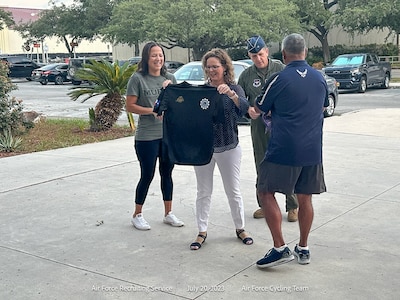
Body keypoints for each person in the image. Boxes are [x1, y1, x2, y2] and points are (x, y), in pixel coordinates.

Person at [254, 33, 328, 268]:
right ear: (305, 52)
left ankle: (279, 248)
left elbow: (260, 106)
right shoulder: (319, 78)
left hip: (284, 148)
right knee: (305, 198)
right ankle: (303, 248)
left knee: (264, 191)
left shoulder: (279, 78)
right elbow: (324, 105)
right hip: (313, 150)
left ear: (284, 55)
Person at [190, 48, 252, 250]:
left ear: (224, 67)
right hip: (205, 149)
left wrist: (231, 94)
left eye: (215, 66)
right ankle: (202, 230)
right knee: (203, 191)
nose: (211, 70)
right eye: (208, 67)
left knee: (233, 191)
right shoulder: (202, 90)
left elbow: (244, 109)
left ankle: (240, 228)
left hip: (229, 147)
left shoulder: (235, 88)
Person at [238, 35, 299, 222]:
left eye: (261, 54)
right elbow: (241, 100)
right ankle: (265, 204)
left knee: (287, 164)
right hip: (258, 128)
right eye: (254, 55)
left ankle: (292, 205)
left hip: (282, 127)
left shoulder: (281, 69)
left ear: (267, 51)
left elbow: (294, 93)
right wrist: (247, 110)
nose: (258, 58)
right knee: (262, 166)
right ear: (250, 56)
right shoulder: (247, 75)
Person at [126, 41, 184, 230]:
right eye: (154, 55)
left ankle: (168, 213)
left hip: (167, 136)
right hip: (146, 137)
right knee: (147, 174)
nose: (158, 59)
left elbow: (179, 103)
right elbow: (130, 106)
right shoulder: (137, 79)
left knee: (167, 174)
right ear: (146, 58)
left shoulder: (170, 78)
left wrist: (171, 90)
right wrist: (151, 111)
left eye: (160, 55)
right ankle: (137, 214)